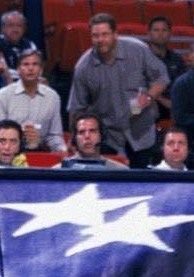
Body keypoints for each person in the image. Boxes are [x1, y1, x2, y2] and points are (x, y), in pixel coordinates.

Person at [67, 13, 169, 166]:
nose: (100, 40)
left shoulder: (137, 49)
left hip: (141, 132)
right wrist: (74, 138)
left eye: (105, 34)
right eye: (95, 36)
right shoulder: (83, 67)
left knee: (142, 177)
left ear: (115, 34)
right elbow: (77, 108)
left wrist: (148, 97)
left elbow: (161, 77)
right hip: (108, 137)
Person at [0, 50, 67, 152]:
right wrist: (19, 137)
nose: (30, 68)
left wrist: (62, 150)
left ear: (41, 70)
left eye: (35, 64)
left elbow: (54, 136)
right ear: (18, 69)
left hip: (41, 152)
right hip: (9, 153)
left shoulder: (52, 97)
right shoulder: (3, 96)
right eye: (26, 64)